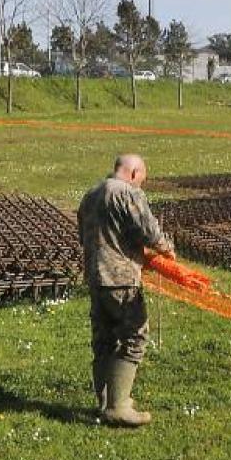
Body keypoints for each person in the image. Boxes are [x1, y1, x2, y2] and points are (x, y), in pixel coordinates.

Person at [76, 153, 174, 427]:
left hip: (96, 277)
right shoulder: (126, 193)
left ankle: (106, 400)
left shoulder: (91, 194)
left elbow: (83, 233)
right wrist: (167, 251)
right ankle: (118, 407)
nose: (140, 185)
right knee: (134, 336)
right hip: (121, 278)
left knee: (103, 338)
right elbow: (149, 231)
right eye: (141, 180)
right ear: (133, 174)